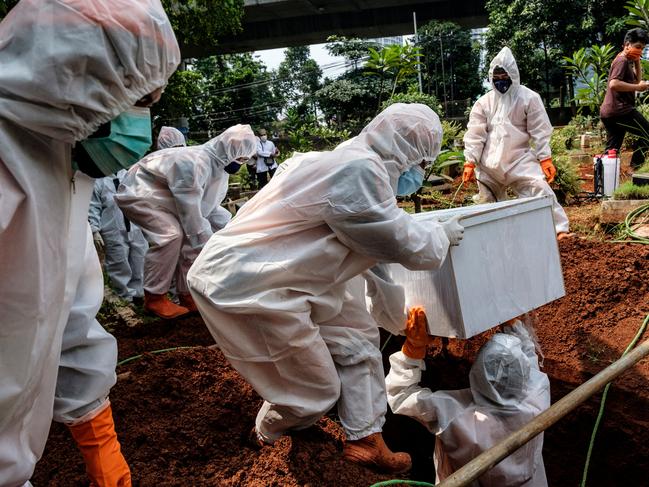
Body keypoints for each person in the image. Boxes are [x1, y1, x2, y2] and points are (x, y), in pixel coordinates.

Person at [187, 103, 465, 473]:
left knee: (357, 335)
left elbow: (376, 261)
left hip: (285, 278)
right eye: (422, 163)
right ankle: (265, 438)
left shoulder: (350, 163)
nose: (420, 173)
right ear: (405, 151)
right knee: (313, 393)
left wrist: (395, 319)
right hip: (246, 286)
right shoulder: (359, 171)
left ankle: (365, 439)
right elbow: (402, 243)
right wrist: (439, 236)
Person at [0, 1, 180, 486]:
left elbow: (67, 309)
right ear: (74, 74)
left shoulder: (61, 161)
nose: (140, 119)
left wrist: (97, 433)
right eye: (137, 97)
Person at [386, 308, 550, 485]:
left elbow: (402, 396)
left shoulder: (457, 417)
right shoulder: (537, 394)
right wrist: (512, 323)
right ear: (522, 370)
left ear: (478, 373)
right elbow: (528, 352)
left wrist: (414, 348)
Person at [115, 125, 257, 319]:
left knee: (190, 240)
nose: (240, 163)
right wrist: (207, 243)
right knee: (172, 235)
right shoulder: (195, 162)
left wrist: (235, 228)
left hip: (163, 199)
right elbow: (191, 212)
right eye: (240, 158)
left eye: (244, 160)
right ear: (228, 151)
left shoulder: (219, 170)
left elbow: (209, 208)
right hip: (139, 193)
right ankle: (155, 298)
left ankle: (187, 295)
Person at [462, 46, 571, 239]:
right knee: (488, 205)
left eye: (505, 76)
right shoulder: (483, 103)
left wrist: (544, 158)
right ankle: (498, 238)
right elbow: (475, 134)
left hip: (518, 161)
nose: (501, 80)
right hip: (488, 165)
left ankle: (559, 229)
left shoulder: (529, 98)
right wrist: (470, 161)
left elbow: (540, 129)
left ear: (513, 74)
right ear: (491, 76)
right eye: (497, 76)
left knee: (540, 190)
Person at [89, 169, 149, 301]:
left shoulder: (130, 176)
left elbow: (142, 198)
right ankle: (125, 295)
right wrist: (94, 229)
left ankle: (140, 293)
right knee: (118, 261)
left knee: (139, 258)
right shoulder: (99, 181)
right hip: (112, 228)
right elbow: (93, 206)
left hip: (135, 225)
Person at [600, 28, 649, 169]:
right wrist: (638, 88)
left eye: (643, 49)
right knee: (647, 133)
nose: (640, 51)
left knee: (611, 152)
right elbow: (614, 84)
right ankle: (636, 167)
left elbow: (637, 80)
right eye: (638, 47)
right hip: (620, 111)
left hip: (610, 112)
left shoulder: (626, 60)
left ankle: (604, 182)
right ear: (627, 44)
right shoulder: (621, 61)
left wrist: (637, 60)